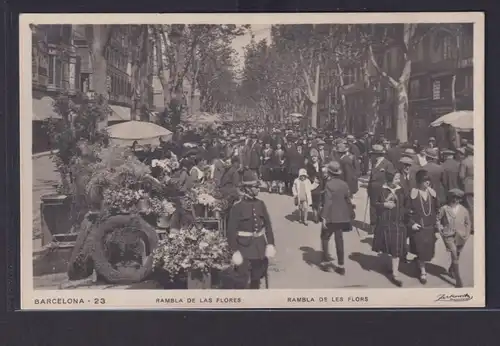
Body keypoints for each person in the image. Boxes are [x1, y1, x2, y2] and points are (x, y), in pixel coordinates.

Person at [227, 169, 276, 289]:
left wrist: (270, 244)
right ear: (247, 188)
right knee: (241, 280)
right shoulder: (237, 207)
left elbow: (268, 226)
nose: (258, 189)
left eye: (258, 186)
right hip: (243, 248)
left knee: (257, 278)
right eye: (255, 187)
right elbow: (231, 231)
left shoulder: (261, 204)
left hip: (259, 247)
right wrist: (234, 251)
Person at [372, 169, 407, 287]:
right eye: (396, 178)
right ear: (389, 179)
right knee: (387, 246)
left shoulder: (401, 190)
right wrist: (384, 204)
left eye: (399, 178)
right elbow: (375, 204)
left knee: (396, 248)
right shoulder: (381, 190)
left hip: (398, 222)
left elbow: (405, 205)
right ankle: (390, 266)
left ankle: (395, 274)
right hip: (384, 222)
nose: (398, 181)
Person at [320, 161, 354, 275]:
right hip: (341, 217)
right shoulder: (344, 184)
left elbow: (328, 202)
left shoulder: (329, 185)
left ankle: (325, 262)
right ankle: (341, 265)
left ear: (329, 172)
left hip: (330, 217)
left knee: (325, 237)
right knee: (339, 239)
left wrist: (324, 217)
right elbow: (347, 199)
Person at [408, 169, 440, 285]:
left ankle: (419, 263)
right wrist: (412, 223)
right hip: (419, 227)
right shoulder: (413, 194)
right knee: (421, 250)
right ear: (420, 181)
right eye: (425, 181)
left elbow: (437, 210)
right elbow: (406, 211)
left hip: (430, 227)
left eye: (429, 181)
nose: (428, 183)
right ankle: (423, 272)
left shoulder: (432, 194)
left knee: (428, 252)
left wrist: (437, 226)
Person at [436, 188, 472, 288]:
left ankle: (452, 269)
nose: (455, 200)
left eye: (458, 198)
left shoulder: (464, 210)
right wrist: (440, 228)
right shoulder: (444, 208)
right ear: (450, 198)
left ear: (460, 199)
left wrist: (467, 234)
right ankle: (458, 280)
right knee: (454, 254)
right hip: (449, 235)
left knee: (457, 255)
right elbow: (438, 219)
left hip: (461, 236)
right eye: (453, 197)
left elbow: (468, 223)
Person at [368, 144, 394, 229]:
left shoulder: (388, 164)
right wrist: (369, 188)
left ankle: (380, 225)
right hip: (373, 189)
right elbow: (371, 177)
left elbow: (391, 178)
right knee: (372, 207)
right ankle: (373, 225)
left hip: (382, 190)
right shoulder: (374, 163)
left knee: (381, 207)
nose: (372, 156)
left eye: (373, 154)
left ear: (378, 155)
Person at [459, 144, 474, 233]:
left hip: (468, 186)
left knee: (471, 207)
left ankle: (472, 227)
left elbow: (461, 176)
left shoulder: (465, 162)